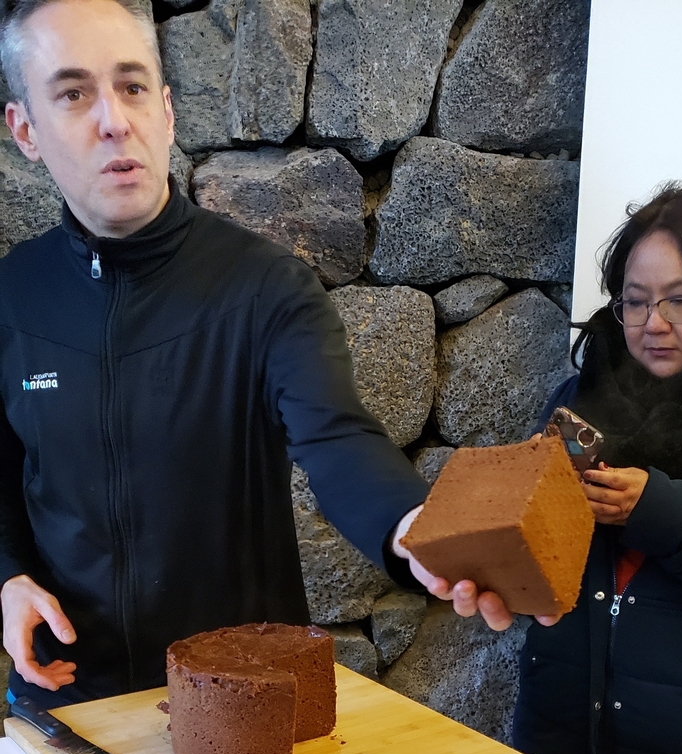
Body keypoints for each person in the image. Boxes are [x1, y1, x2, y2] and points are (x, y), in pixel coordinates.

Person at [0, 0, 486, 708]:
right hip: (71, 707)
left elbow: (338, 438)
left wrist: (413, 530)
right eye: (73, 93)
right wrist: (9, 576)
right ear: (25, 130)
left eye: (133, 86)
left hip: (238, 709)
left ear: (166, 110)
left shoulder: (265, 287)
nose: (114, 120)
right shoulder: (13, 293)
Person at [488, 183, 682, 754]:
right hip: (561, 740)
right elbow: (534, 547)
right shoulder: (579, 397)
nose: (655, 322)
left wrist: (661, 511)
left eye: (681, 299)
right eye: (636, 301)